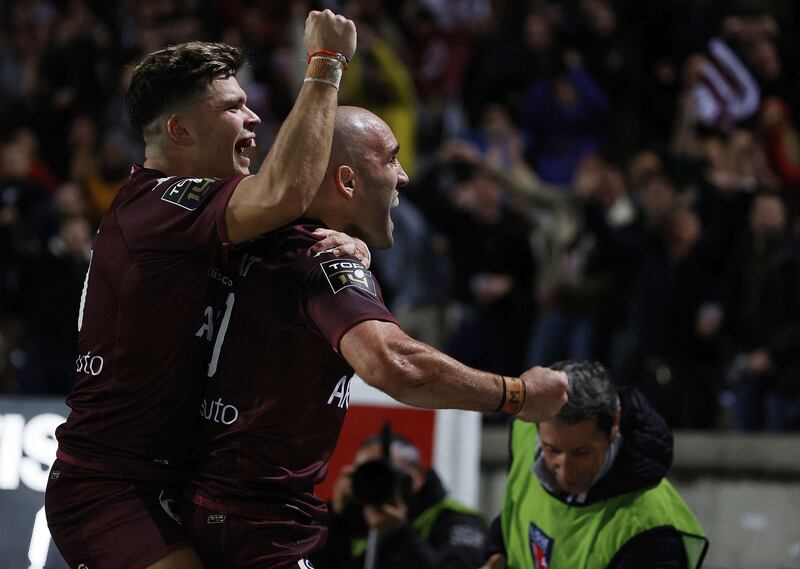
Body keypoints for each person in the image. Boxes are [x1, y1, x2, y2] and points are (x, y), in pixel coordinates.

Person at [181, 106, 569, 568]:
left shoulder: (228, 235)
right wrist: (518, 396)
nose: (404, 177)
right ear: (347, 183)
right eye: (390, 159)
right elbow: (394, 365)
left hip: (188, 507)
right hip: (254, 529)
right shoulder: (324, 260)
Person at [45, 10, 364, 569]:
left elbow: (282, 221)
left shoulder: (200, 215)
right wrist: (325, 65)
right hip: (107, 488)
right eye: (233, 107)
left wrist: (337, 242)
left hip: (184, 480)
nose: (254, 118)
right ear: (180, 131)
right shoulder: (159, 204)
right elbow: (284, 193)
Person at [482, 360, 708, 569]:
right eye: (552, 450)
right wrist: (496, 555)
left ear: (614, 425)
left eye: (581, 452)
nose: (565, 470)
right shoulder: (524, 433)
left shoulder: (650, 528)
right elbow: (516, 511)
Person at [311, 432, 487, 569]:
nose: (378, 484)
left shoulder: (457, 521)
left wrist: (398, 535)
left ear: (416, 477)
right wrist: (334, 517)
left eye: (386, 475)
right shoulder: (352, 518)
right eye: (368, 474)